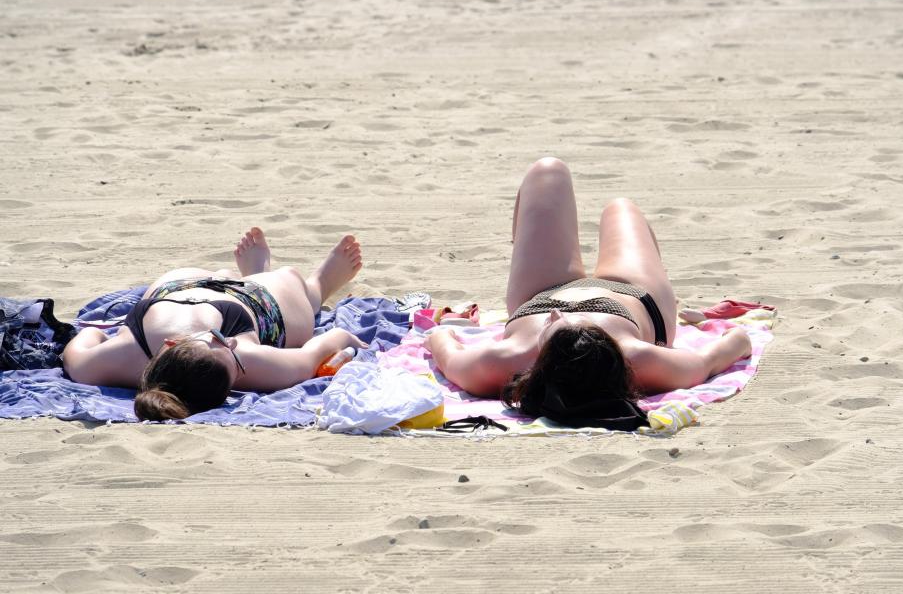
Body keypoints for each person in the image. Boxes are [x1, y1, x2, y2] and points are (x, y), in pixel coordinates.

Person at [424, 157, 752, 429]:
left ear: (541, 362)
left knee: (547, 170)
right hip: (633, 293)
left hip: (539, 293)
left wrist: (450, 340)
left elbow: (439, 339)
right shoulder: (641, 360)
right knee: (620, 209)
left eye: (555, 324)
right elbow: (736, 344)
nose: (560, 314)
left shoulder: (500, 364)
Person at [63, 228, 365, 421]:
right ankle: (316, 286)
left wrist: (111, 346)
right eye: (234, 356)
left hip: (181, 285)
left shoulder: (108, 363)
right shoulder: (248, 361)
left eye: (220, 339)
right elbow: (316, 350)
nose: (232, 343)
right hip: (252, 305)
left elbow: (86, 335)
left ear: (170, 344)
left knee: (268, 286)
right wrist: (345, 339)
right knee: (290, 281)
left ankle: (256, 271)